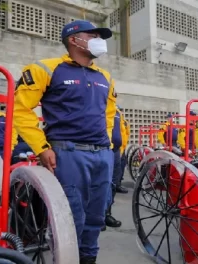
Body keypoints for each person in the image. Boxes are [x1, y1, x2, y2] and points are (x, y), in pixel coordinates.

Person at [12, 20, 116, 264]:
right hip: (68, 152)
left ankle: (88, 258)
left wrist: (108, 146)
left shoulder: (105, 78)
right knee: (71, 217)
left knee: (96, 216)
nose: (99, 41)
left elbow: (109, 114)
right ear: (74, 39)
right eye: (93, 35)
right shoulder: (45, 69)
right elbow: (20, 110)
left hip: (102, 154)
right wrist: (42, 148)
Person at [102, 105, 125, 231]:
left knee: (113, 183)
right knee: (103, 183)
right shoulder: (102, 106)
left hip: (116, 151)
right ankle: (98, 217)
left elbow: (121, 131)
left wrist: (122, 148)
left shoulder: (117, 112)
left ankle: (107, 214)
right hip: (105, 148)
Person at [117, 109, 129, 194]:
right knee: (117, 167)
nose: (121, 112)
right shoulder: (116, 119)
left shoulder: (125, 122)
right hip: (117, 147)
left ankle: (118, 183)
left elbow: (127, 133)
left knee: (122, 166)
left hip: (123, 147)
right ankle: (116, 185)